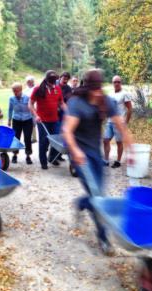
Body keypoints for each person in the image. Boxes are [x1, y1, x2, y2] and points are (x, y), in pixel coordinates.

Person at [63, 69, 133, 255]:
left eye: (98, 88)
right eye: (92, 88)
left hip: (95, 154)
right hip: (78, 154)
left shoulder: (106, 101)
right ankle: (103, 238)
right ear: (86, 86)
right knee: (97, 197)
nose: (96, 92)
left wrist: (131, 148)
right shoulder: (77, 102)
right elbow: (67, 131)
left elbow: (120, 124)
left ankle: (81, 203)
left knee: (99, 194)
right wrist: (76, 151)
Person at [29, 70, 67, 169]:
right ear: (46, 80)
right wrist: (36, 115)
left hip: (55, 120)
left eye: (54, 81)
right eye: (50, 81)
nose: (52, 83)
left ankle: (52, 158)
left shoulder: (57, 89)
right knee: (44, 142)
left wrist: (69, 112)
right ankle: (43, 161)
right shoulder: (38, 89)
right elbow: (30, 104)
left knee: (57, 141)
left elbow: (61, 103)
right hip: (42, 121)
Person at [103, 75, 133, 168]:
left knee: (119, 142)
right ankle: (106, 160)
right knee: (105, 140)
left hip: (120, 122)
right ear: (112, 83)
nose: (116, 83)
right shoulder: (110, 94)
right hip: (109, 121)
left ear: (121, 83)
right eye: (115, 82)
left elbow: (130, 109)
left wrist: (126, 122)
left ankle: (118, 161)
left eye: (118, 82)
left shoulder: (125, 94)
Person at [8, 83, 33, 164]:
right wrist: (9, 120)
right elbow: (10, 110)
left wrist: (35, 121)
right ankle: (15, 155)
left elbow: (32, 109)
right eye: (13, 91)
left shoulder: (27, 98)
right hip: (16, 120)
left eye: (16, 91)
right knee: (16, 138)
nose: (15, 92)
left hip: (27, 120)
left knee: (27, 138)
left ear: (21, 90)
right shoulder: (11, 98)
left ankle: (28, 156)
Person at [56, 71, 72, 161]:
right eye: (64, 78)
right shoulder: (54, 85)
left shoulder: (68, 89)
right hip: (53, 112)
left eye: (67, 79)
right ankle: (52, 155)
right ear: (60, 78)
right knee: (55, 133)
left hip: (63, 112)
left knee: (61, 133)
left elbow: (69, 101)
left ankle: (59, 154)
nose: (65, 81)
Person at [24, 75, 37, 143]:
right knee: (29, 122)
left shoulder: (35, 88)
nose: (28, 82)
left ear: (32, 82)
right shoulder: (26, 89)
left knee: (33, 122)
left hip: (33, 107)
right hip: (26, 108)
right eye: (27, 81)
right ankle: (32, 137)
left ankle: (34, 138)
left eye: (29, 81)